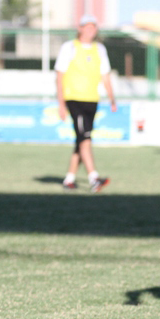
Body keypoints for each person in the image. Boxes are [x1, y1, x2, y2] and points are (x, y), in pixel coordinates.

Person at [55, 14, 116, 192]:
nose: (90, 30)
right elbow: (59, 76)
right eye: (87, 26)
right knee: (85, 139)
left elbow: (105, 75)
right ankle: (94, 178)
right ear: (80, 28)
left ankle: (69, 179)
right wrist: (61, 103)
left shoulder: (100, 49)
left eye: (93, 27)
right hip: (74, 99)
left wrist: (112, 98)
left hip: (92, 100)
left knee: (81, 140)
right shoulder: (69, 47)